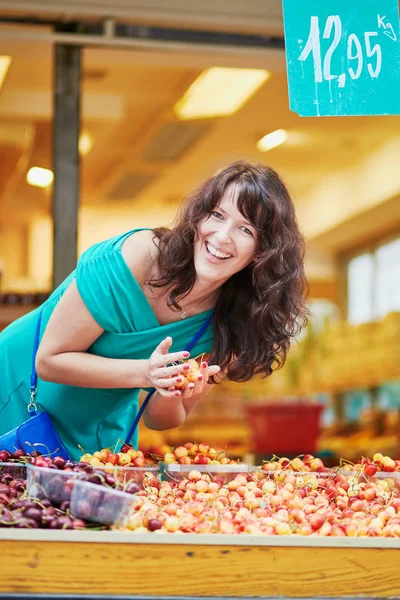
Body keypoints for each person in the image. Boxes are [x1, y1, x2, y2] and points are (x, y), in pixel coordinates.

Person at [0, 160, 308, 460]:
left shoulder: (232, 323)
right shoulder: (138, 257)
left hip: (99, 424)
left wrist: (170, 389)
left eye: (245, 229)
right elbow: (49, 360)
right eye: (217, 214)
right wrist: (147, 373)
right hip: (19, 390)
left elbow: (160, 420)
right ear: (199, 217)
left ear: (262, 252)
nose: (222, 236)